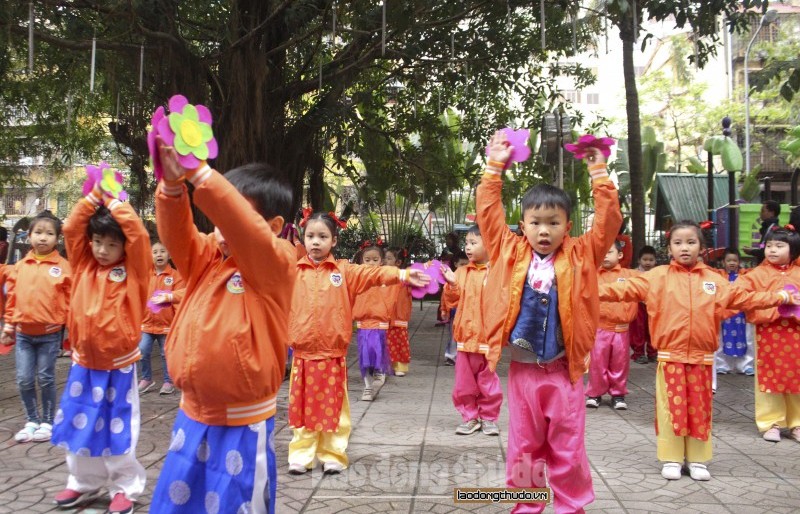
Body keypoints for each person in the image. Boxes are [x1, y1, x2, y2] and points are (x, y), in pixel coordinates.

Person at [148, 144, 297, 514]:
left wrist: (201, 174)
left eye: (233, 217)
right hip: (192, 413)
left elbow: (245, 230)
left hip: (243, 422)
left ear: (274, 227)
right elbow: (178, 234)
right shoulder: (208, 258)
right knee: (177, 504)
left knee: (236, 505)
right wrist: (171, 185)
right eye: (218, 221)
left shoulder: (276, 263)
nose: (222, 228)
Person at [478, 130, 622, 512]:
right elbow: (488, 213)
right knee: (524, 447)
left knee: (568, 446)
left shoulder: (583, 253)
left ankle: (571, 506)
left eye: (554, 223)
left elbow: (608, 222)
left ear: (568, 225)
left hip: (565, 371)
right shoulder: (507, 250)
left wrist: (598, 171)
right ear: (522, 224)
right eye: (536, 222)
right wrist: (494, 168)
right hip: (524, 372)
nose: (545, 230)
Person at [599, 220, 798, 482]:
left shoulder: (715, 281)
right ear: (669, 248)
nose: (684, 248)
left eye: (691, 242)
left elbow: (745, 298)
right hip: (670, 357)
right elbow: (618, 290)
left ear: (701, 248)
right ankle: (670, 457)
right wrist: (582, 290)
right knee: (671, 408)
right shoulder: (656, 277)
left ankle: (698, 459)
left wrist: (780, 297)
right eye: (678, 243)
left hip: (703, 359)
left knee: (700, 410)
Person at [287, 212, 428, 475]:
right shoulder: (293, 270)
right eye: (310, 236)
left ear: (334, 241)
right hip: (303, 354)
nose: (315, 242)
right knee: (302, 406)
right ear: (302, 238)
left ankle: (332, 453)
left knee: (334, 406)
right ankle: (301, 454)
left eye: (322, 236)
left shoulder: (345, 271)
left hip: (331, 354)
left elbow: (374, 274)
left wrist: (403, 274)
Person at [50, 183, 151, 514]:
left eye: (111, 243)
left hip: (119, 365)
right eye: (97, 242)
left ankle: (126, 487)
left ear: (123, 246)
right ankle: (83, 484)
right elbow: (70, 228)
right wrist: (93, 199)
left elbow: (139, 235)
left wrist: (116, 201)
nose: (102, 250)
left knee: (119, 427)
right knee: (79, 424)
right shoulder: (82, 264)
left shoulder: (135, 271)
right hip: (83, 364)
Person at [1, 211, 71, 443]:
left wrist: (73, 332)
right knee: (23, 379)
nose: (43, 238)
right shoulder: (20, 266)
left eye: (49, 234)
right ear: (29, 236)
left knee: (46, 378)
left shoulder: (63, 267)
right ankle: (32, 419)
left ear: (57, 238)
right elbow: (12, 298)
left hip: (50, 335)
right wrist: (9, 324)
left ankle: (48, 422)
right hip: (23, 336)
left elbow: (71, 301)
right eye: (38, 233)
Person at [734, 226, 800, 442]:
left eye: (779, 246)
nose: (772, 250)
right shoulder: (756, 275)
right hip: (768, 333)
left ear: (793, 249)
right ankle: (770, 422)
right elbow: (740, 296)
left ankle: (796, 422)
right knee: (768, 377)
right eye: (769, 245)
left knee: (796, 376)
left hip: (796, 333)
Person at [441, 225, 502, 436]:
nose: (467, 247)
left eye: (473, 243)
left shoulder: (496, 272)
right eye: (466, 243)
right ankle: (470, 417)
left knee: (489, 382)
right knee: (464, 383)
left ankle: (489, 417)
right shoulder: (461, 272)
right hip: (465, 338)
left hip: (488, 339)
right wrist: (451, 285)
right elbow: (451, 302)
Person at [585, 241, 639, 410]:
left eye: (609, 252)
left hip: (621, 329)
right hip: (599, 328)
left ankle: (618, 394)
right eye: (602, 253)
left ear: (620, 255)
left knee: (620, 363)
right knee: (597, 362)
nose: (605, 256)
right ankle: (595, 393)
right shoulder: (592, 275)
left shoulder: (630, 275)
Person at [137, 239, 185, 395]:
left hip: (166, 325)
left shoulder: (176, 276)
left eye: (163, 251)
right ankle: (146, 378)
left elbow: (180, 299)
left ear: (169, 254)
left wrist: (179, 322)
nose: (159, 255)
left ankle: (168, 381)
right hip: (146, 324)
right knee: (143, 350)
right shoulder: (145, 275)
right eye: (155, 252)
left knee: (166, 354)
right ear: (150, 256)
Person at [352, 243, 395, 400]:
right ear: (362, 260)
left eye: (375, 260)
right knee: (365, 356)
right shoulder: (357, 277)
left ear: (381, 261)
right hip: (363, 323)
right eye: (367, 259)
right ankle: (368, 387)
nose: (371, 263)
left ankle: (379, 374)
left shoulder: (386, 276)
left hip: (379, 323)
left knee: (377, 350)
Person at [715, 249, 755, 377]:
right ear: (723, 262)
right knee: (721, 339)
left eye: (735, 260)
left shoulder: (746, 275)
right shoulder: (718, 275)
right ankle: (722, 365)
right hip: (725, 312)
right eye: (729, 260)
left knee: (747, 339)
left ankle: (746, 365)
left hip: (743, 312)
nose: (732, 263)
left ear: (739, 262)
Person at [385, 247, 412, 376]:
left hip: (400, 315)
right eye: (384, 258)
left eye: (389, 258)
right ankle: (388, 365)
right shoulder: (381, 275)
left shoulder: (405, 276)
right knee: (387, 341)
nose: (385, 261)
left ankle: (400, 366)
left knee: (400, 341)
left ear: (398, 262)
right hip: (386, 315)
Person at [630, 245, 658, 364]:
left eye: (651, 260)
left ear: (655, 261)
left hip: (653, 306)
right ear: (639, 260)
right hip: (639, 305)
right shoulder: (634, 273)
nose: (648, 262)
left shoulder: (658, 274)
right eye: (645, 260)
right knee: (638, 330)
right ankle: (639, 353)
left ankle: (653, 352)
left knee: (653, 329)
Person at [441, 251, 469, 366]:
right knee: (454, 334)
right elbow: (445, 294)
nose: (465, 267)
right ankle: (450, 355)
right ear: (456, 263)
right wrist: (444, 309)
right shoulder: (453, 276)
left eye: (467, 264)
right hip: (455, 309)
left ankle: (461, 356)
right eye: (462, 264)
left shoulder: (470, 274)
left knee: (463, 333)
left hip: (466, 310)